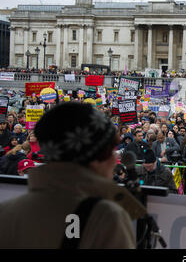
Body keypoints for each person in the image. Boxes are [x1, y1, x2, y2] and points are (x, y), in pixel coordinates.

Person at [0, 102, 147, 248]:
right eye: (110, 151)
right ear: (95, 157)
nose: (114, 160)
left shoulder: (6, 213)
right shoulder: (106, 217)